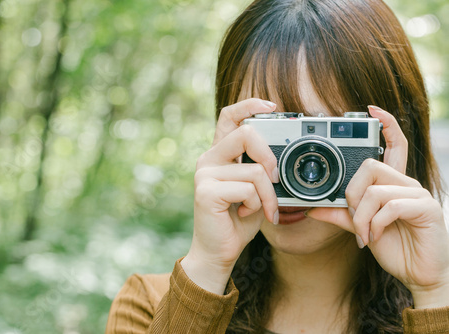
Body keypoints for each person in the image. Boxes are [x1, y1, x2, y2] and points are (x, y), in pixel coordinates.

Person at [105, 0, 449, 332]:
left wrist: (433, 293)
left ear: (387, 140)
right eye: (272, 130)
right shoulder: (148, 305)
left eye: (323, 135)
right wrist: (208, 270)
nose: (294, 167)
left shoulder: (439, 298)